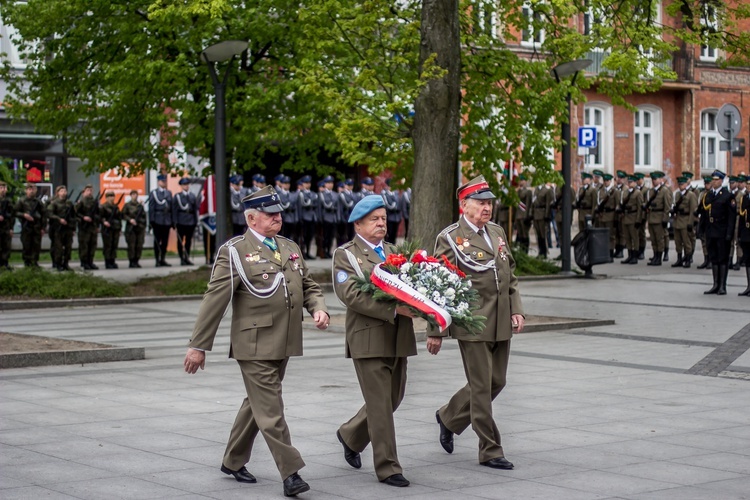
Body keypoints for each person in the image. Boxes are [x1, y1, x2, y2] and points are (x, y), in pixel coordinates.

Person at [184, 185, 329, 498]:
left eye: (278, 213)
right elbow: (214, 300)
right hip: (254, 343)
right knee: (271, 408)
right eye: (270, 214)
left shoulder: (289, 246)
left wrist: (318, 308)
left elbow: (308, 284)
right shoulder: (235, 251)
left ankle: (233, 460)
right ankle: (290, 472)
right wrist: (198, 345)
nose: (278, 218)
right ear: (251, 218)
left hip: (285, 340)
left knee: (258, 403)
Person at [426, 175, 525, 471]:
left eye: (489, 202)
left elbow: (510, 274)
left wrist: (516, 308)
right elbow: (436, 285)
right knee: (481, 387)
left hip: (500, 319)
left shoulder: (495, 232)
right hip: (472, 321)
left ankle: (449, 417)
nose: (487, 207)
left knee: (497, 381)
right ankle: (490, 449)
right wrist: (436, 330)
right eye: (481, 202)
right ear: (464, 205)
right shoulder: (450, 238)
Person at [332, 195, 416, 488]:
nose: (381, 223)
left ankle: (351, 435)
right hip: (367, 337)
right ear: (358, 224)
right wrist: (393, 309)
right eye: (374, 219)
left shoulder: (395, 251)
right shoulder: (347, 255)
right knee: (380, 404)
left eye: (383, 218)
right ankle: (388, 466)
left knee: (393, 398)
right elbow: (351, 295)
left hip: (398, 336)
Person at [699, 170, 736, 295]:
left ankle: (722, 286)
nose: (713, 182)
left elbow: (731, 217)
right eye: (712, 180)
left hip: (722, 232)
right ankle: (715, 284)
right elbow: (704, 214)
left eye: (716, 180)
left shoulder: (727, 196)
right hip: (711, 231)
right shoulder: (708, 195)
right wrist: (701, 229)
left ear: (721, 181)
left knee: (722, 259)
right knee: (714, 258)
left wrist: (729, 234)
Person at [15, 182, 47, 268]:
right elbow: (15, 212)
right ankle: (27, 262)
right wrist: (24, 215)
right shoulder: (21, 201)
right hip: (26, 227)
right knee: (27, 245)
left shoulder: (39, 202)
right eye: (29, 189)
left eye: (33, 189)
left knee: (36, 245)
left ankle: (35, 262)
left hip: (36, 227)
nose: (31, 191)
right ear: (26, 191)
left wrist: (43, 228)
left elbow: (44, 215)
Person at [671, 176, 698, 268]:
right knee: (677, 242)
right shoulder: (677, 194)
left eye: (682, 184)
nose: (680, 186)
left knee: (687, 242)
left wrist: (691, 223)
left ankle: (688, 259)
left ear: (686, 184)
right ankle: (679, 259)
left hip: (686, 221)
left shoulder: (691, 195)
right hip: (677, 220)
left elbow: (693, 210)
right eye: (679, 184)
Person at [644, 171, 671, 266]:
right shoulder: (650, 191)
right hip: (651, 217)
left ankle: (659, 258)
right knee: (653, 239)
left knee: (659, 239)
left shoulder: (664, 191)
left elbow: (667, 207)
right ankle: (655, 256)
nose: (654, 181)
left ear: (661, 180)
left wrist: (665, 219)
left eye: (655, 179)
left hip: (659, 218)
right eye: (653, 179)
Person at [47, 185, 75, 271]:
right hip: (58, 229)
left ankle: (66, 263)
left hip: (68, 228)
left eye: (65, 191)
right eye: (62, 191)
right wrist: (59, 219)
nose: (64, 193)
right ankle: (58, 264)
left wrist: (73, 228)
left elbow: (73, 215)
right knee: (58, 247)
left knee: (68, 247)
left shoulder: (69, 203)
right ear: (58, 193)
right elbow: (49, 214)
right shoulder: (54, 203)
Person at [173, 178, 199, 266]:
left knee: (188, 241)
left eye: (187, 184)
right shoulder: (178, 196)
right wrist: (174, 222)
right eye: (184, 185)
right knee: (180, 241)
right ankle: (181, 258)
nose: (186, 186)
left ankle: (187, 257)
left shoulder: (192, 196)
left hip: (190, 220)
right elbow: (174, 210)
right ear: (181, 186)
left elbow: (195, 209)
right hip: (181, 220)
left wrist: (196, 221)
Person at [149, 174, 173, 267]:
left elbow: (171, 208)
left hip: (166, 220)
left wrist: (172, 221)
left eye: (165, 181)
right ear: (158, 182)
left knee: (165, 241)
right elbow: (151, 207)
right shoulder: (154, 193)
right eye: (162, 181)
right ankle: (157, 260)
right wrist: (151, 220)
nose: (164, 183)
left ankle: (163, 258)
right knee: (157, 241)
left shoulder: (169, 193)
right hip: (157, 220)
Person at [619, 175, 643, 264]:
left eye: (631, 182)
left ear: (635, 182)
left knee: (635, 238)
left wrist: (638, 220)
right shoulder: (625, 192)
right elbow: (621, 203)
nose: (630, 183)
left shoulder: (638, 193)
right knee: (627, 238)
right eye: (628, 182)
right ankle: (629, 255)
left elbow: (640, 207)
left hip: (633, 217)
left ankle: (635, 256)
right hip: (625, 217)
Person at [75, 184, 99, 270]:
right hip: (84, 227)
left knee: (92, 245)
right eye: (88, 190)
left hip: (92, 227)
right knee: (84, 245)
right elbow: (76, 213)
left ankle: (90, 261)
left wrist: (96, 222)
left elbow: (98, 214)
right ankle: (84, 262)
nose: (90, 192)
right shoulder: (81, 202)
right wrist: (83, 217)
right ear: (84, 192)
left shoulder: (95, 202)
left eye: (91, 190)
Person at [595, 173, 618, 259]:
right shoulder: (600, 191)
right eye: (604, 181)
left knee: (610, 236)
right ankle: (604, 253)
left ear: (610, 181)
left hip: (610, 215)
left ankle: (610, 253)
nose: (606, 182)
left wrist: (616, 217)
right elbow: (597, 203)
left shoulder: (614, 191)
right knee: (602, 235)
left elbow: (617, 204)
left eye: (607, 181)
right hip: (602, 215)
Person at [122, 190, 146, 268]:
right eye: (133, 194)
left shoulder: (140, 206)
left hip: (139, 228)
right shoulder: (127, 205)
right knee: (131, 245)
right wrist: (130, 220)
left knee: (139, 244)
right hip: (131, 228)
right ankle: (131, 261)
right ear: (131, 195)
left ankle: (136, 260)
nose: (134, 196)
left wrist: (141, 223)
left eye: (136, 194)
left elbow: (144, 217)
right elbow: (123, 215)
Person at [99, 191, 122, 269]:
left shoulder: (116, 206)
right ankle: (107, 261)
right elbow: (100, 217)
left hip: (115, 228)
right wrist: (104, 222)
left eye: (113, 196)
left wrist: (120, 229)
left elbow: (119, 218)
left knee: (114, 245)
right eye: (110, 196)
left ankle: (112, 261)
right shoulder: (103, 206)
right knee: (108, 245)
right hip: (107, 229)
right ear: (106, 197)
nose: (112, 198)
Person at [530, 180, 552, 258]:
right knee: (538, 234)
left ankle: (544, 252)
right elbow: (533, 203)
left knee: (543, 234)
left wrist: (547, 215)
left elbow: (548, 203)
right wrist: (531, 213)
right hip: (536, 214)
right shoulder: (536, 190)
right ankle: (540, 251)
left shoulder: (547, 190)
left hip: (542, 214)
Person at [297, 175, 318, 259]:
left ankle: (308, 252)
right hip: (304, 217)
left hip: (312, 217)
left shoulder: (313, 194)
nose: (307, 184)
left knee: (310, 236)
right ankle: (303, 252)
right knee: (303, 236)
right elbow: (301, 206)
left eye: (308, 183)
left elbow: (316, 204)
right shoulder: (301, 194)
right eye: (306, 183)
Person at [736, 175, 750, 296]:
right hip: (746, 233)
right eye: (748, 184)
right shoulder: (744, 198)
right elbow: (741, 218)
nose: (748, 186)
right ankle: (749, 286)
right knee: (748, 260)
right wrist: (739, 235)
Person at [319, 175, 338, 257]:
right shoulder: (322, 194)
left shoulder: (335, 194)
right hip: (325, 217)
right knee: (325, 236)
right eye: (328, 183)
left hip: (333, 217)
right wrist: (320, 218)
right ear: (325, 184)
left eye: (331, 183)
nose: (330, 184)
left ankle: (329, 251)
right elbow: (320, 207)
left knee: (331, 236)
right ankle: (324, 251)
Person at [696, 176, 713, 269]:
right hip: (703, 219)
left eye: (708, 183)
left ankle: (711, 260)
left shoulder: (713, 194)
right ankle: (706, 259)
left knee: (710, 241)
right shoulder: (702, 193)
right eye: (705, 183)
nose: (707, 185)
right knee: (703, 240)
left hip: (710, 219)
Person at [515, 175, 532, 251]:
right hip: (518, 215)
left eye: (523, 180)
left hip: (523, 214)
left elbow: (528, 204)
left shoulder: (528, 192)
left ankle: (525, 250)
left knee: (525, 234)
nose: (521, 182)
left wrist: (527, 215)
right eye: (520, 180)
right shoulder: (517, 191)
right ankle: (521, 249)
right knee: (520, 234)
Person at [0, 180, 13, 270]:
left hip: (6, 227)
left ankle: (5, 263)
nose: (3, 190)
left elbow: (12, 215)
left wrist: (11, 228)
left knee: (6, 246)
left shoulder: (8, 201)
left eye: (4, 188)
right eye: (1, 188)